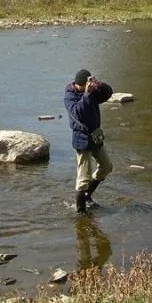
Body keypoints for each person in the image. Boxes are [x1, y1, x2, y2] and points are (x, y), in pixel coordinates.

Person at [64, 68, 113, 214]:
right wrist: (86, 94)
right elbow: (78, 112)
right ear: (79, 85)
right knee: (83, 178)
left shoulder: (91, 91)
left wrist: (100, 85)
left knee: (106, 167)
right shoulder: (69, 96)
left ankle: (87, 195)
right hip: (82, 139)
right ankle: (80, 212)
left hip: (95, 137)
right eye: (84, 85)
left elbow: (108, 94)